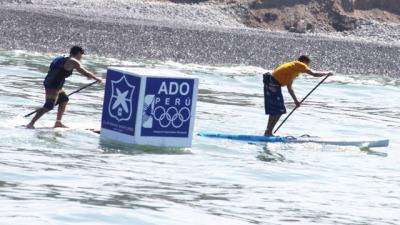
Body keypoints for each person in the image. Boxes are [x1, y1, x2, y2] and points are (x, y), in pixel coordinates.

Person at [26, 46, 102, 129]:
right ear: (78, 53)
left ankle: (58, 122)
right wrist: (97, 78)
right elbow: (86, 73)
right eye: (81, 55)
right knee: (49, 105)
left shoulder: (62, 57)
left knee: (64, 99)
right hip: (53, 85)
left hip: (54, 83)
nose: (81, 57)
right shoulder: (74, 61)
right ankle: (31, 124)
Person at [263, 55, 333, 136]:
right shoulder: (300, 64)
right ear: (303, 61)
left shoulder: (293, 69)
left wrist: (296, 101)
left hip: (271, 83)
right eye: (307, 64)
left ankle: (268, 131)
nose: (307, 67)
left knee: (276, 110)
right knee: (279, 110)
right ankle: (268, 132)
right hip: (273, 83)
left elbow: (289, 88)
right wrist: (328, 73)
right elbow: (314, 74)